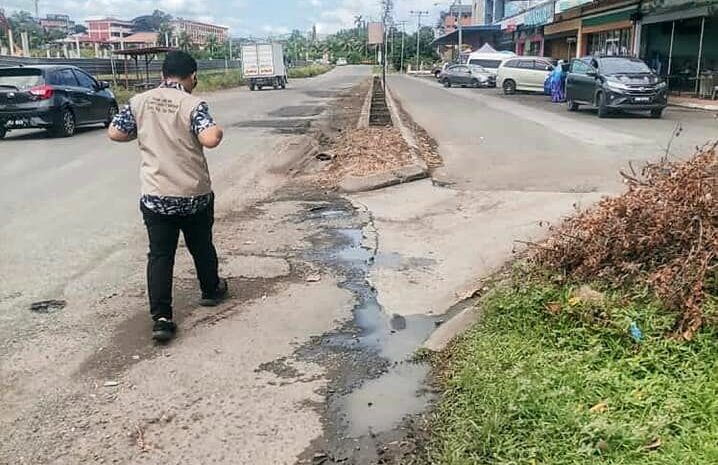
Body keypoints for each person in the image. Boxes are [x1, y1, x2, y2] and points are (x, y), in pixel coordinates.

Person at [108, 51, 228, 342]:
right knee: (201, 245)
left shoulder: (139, 101)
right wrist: (218, 130)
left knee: (160, 255)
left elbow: (115, 133)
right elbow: (209, 139)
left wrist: (146, 133)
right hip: (192, 195)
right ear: (193, 76)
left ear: (163, 75)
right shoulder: (192, 103)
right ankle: (211, 290)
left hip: (156, 195)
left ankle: (162, 318)